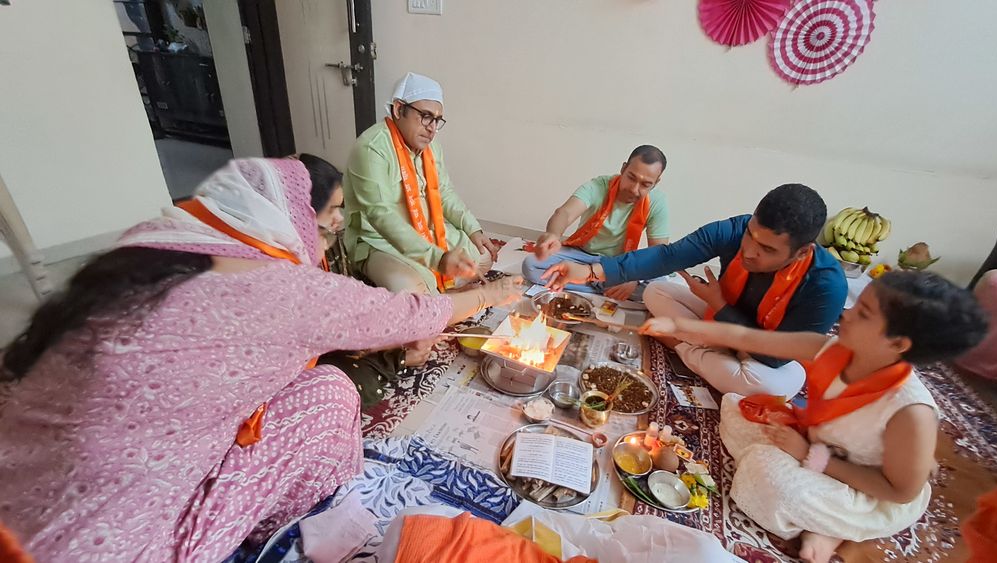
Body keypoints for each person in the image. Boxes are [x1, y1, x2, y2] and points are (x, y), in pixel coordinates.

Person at [0, 158, 520, 562]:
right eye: (330, 213)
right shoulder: (282, 285)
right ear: (289, 216)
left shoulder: (157, 245)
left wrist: (450, 249)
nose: (337, 221)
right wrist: (490, 292)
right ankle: (320, 522)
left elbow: (442, 203)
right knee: (328, 395)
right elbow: (392, 262)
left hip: (22, 496)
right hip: (116, 544)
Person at [640, 270, 988, 563]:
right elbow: (748, 337)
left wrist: (808, 456)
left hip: (861, 489)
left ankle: (830, 529)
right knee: (736, 404)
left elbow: (898, 492)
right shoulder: (830, 349)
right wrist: (676, 324)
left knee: (768, 473)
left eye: (863, 313)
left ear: (898, 344)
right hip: (813, 442)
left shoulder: (911, 412)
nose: (847, 313)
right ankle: (809, 503)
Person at [543, 184, 847, 397]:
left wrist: (719, 307)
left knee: (773, 385)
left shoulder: (827, 287)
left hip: (762, 350)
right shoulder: (734, 230)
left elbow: (776, 356)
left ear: (802, 252)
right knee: (656, 292)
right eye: (751, 235)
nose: (750, 251)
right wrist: (592, 271)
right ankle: (704, 348)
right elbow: (667, 256)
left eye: (767, 249)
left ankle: (682, 345)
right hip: (720, 318)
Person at [342, 72, 497, 294]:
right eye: (425, 116)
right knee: (412, 290)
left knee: (481, 257)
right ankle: (438, 296)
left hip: (425, 228)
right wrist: (437, 258)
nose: (432, 128)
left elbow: (444, 192)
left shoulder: (430, 147)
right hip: (378, 241)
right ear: (398, 109)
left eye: (437, 120)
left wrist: (474, 230)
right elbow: (380, 215)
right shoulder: (372, 148)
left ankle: (442, 296)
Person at [521, 145, 670, 301]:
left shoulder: (657, 202)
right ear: (623, 168)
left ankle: (583, 279)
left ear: (656, 183)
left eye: (645, 185)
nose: (634, 189)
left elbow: (658, 252)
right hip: (581, 255)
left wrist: (634, 277)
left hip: (618, 263)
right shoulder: (599, 186)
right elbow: (564, 213)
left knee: (660, 286)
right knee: (531, 265)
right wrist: (553, 235)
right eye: (631, 178)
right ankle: (603, 286)